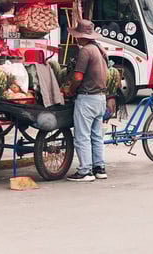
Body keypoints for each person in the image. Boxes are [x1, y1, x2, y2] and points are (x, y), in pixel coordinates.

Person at [66, 20, 115, 182]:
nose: (76, 39)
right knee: (96, 136)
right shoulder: (100, 50)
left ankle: (85, 171)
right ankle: (99, 168)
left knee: (82, 136)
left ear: (81, 36)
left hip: (87, 98)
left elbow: (78, 77)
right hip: (100, 98)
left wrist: (70, 89)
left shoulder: (85, 51)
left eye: (77, 36)